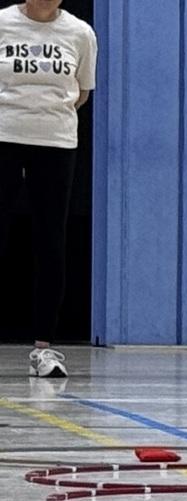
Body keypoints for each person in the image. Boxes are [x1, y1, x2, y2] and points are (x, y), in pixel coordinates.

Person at [0, 0, 97, 378]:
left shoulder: (80, 33)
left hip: (55, 143)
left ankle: (45, 349)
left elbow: (81, 92)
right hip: (4, 137)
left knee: (51, 241)